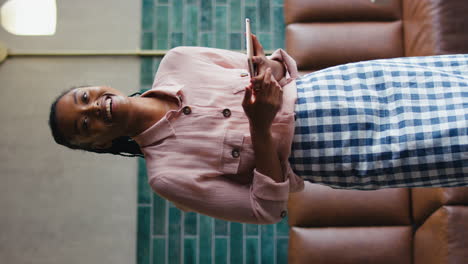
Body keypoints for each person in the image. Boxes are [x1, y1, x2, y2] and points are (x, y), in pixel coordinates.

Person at [49, 35, 468, 224]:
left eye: (84, 96)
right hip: (340, 152)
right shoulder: (167, 176)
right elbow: (265, 209)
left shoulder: (179, 60)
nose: (93, 107)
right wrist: (261, 128)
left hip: (340, 87)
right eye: (83, 124)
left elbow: (280, 70)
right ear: (99, 143)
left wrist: (268, 66)